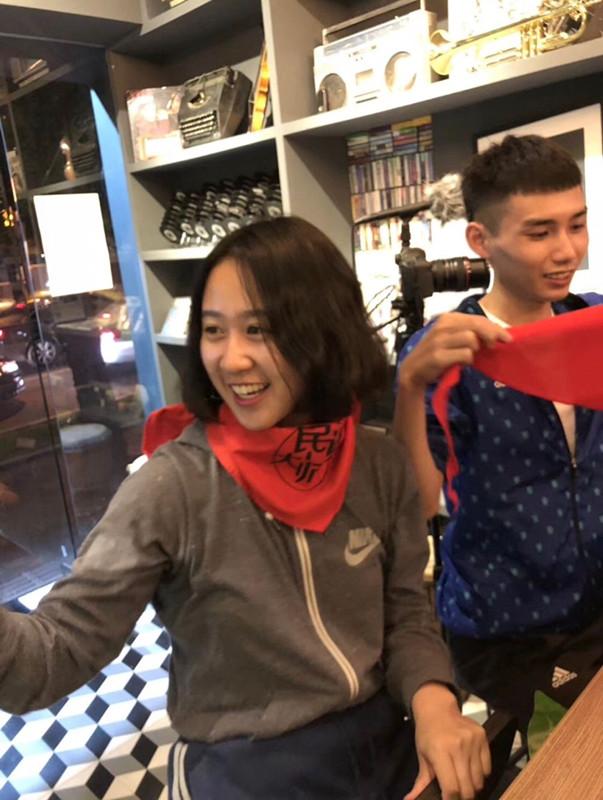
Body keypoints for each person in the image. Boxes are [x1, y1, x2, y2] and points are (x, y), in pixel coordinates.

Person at [0, 217, 489, 800]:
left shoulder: (376, 463)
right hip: (243, 769)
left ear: (323, 331)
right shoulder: (172, 487)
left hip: (380, 744)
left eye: (259, 330)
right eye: (213, 330)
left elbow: (406, 613)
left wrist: (435, 704)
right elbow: (48, 657)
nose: (231, 360)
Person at [395, 134, 603, 728]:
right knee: (563, 756)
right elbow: (417, 505)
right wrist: (410, 387)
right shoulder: (448, 353)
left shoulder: (590, 322)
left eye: (578, 225)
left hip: (596, 606)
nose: (567, 250)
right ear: (480, 241)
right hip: (505, 625)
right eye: (540, 233)